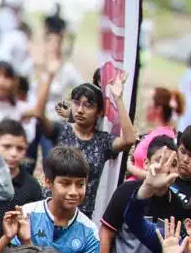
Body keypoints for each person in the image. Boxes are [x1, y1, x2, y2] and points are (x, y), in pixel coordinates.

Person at [33, 76, 137, 216]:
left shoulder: (103, 141)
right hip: (50, 209)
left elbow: (129, 139)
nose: (80, 110)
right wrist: (50, 77)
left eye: (88, 105)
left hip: (80, 216)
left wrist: (118, 98)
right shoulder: (60, 130)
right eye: (77, 103)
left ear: (99, 112)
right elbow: (39, 115)